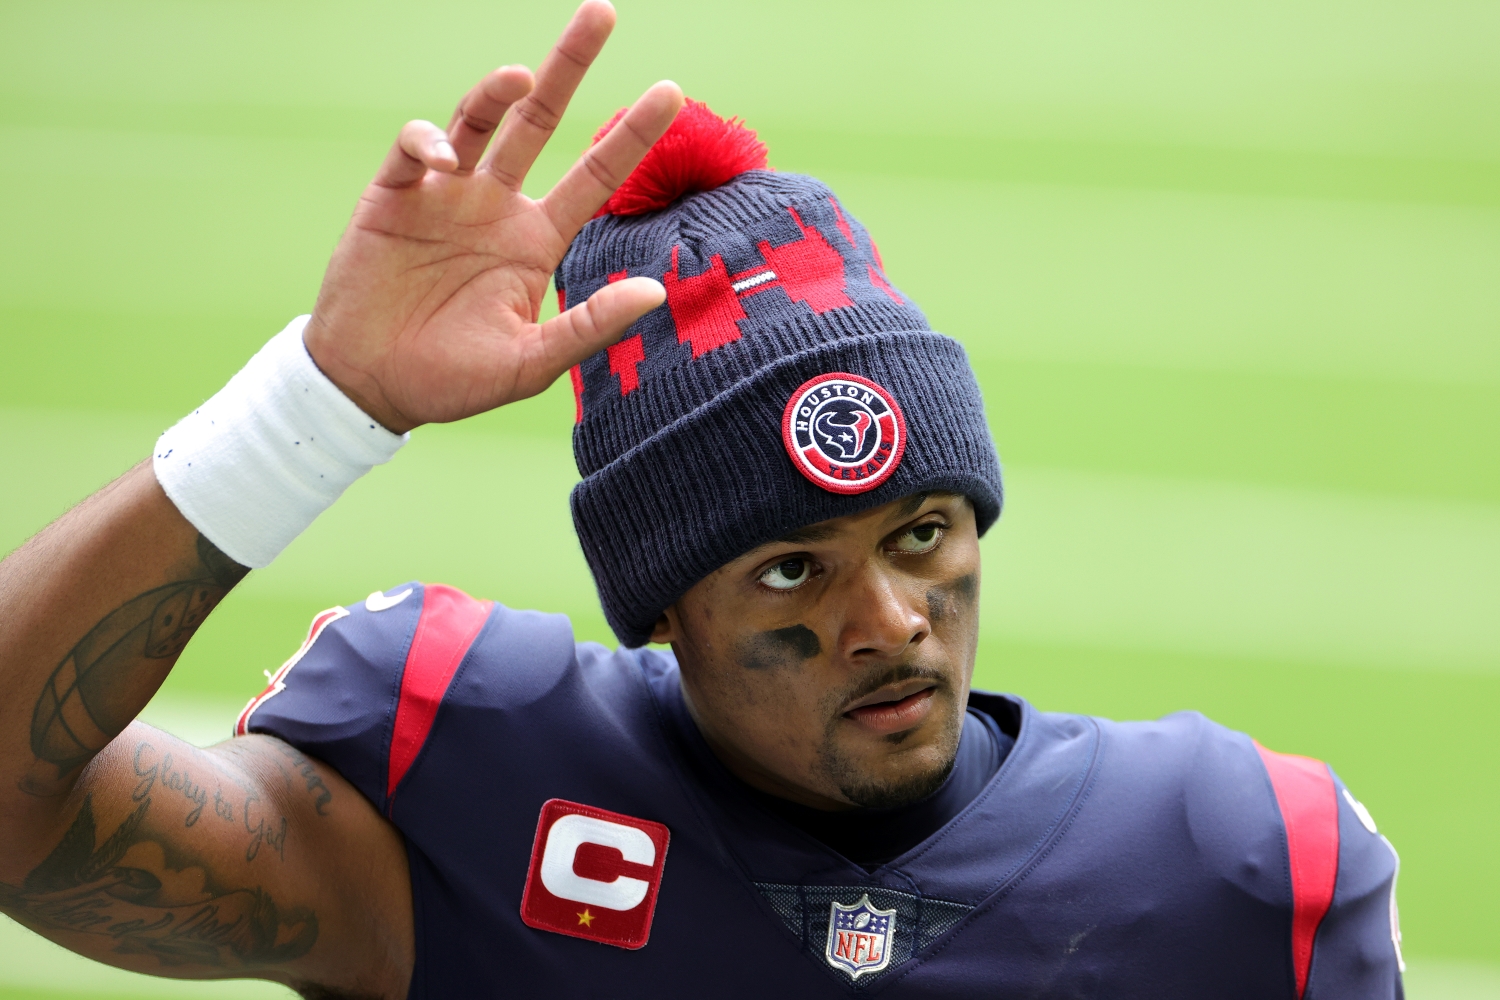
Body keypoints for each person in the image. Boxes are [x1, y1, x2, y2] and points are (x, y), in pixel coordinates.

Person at [0, 3, 1404, 997]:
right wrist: (313, 412)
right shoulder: (473, 788)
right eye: (793, 569)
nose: (890, 620)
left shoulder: (1243, 866)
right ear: (661, 604)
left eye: (922, 534)